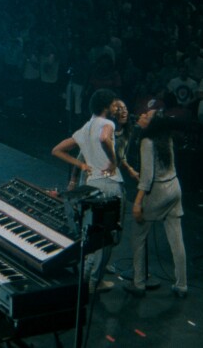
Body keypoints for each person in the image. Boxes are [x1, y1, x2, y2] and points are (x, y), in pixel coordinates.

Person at [51, 88, 123, 293]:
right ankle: (94, 282)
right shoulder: (107, 123)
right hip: (109, 184)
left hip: (91, 184)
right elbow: (104, 138)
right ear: (106, 106)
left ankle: (86, 279)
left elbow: (56, 150)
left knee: (92, 234)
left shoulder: (85, 127)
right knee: (107, 235)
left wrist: (81, 165)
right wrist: (113, 160)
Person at [124, 111, 188, 298]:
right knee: (176, 240)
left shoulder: (147, 142)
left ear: (151, 124)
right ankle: (182, 285)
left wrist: (137, 203)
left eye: (146, 116)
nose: (142, 115)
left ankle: (139, 283)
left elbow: (147, 177)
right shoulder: (165, 137)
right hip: (175, 188)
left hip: (158, 192)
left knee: (137, 236)